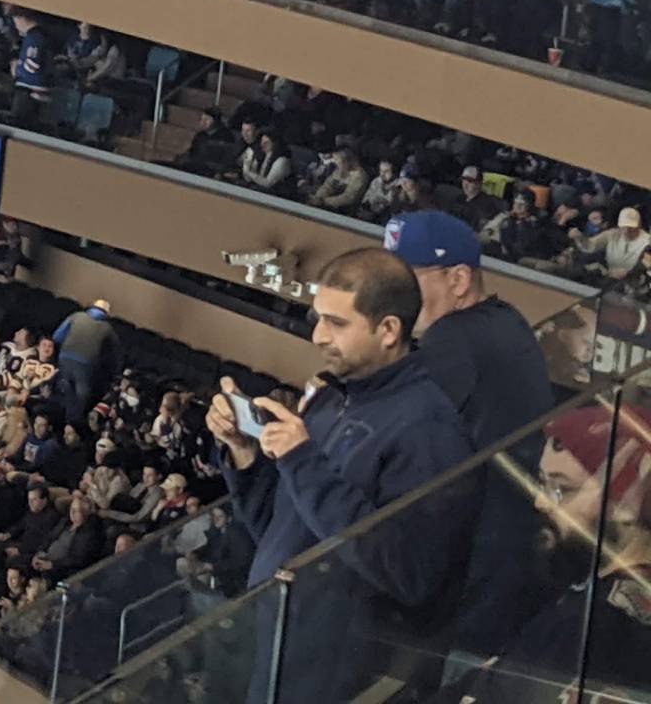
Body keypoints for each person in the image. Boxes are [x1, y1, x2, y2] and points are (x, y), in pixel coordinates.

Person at [207, 247, 477, 702]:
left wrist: (300, 459)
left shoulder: (429, 431)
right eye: (318, 318)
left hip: (341, 680)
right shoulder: (331, 401)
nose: (317, 336)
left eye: (337, 322)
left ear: (388, 329)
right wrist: (245, 456)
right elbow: (281, 529)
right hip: (280, 651)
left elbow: (407, 573)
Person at [385, 210, 557, 669]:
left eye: (405, 279)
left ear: (458, 279)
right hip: (505, 555)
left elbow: (394, 437)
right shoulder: (505, 320)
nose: (390, 294)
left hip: (473, 574)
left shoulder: (453, 339)